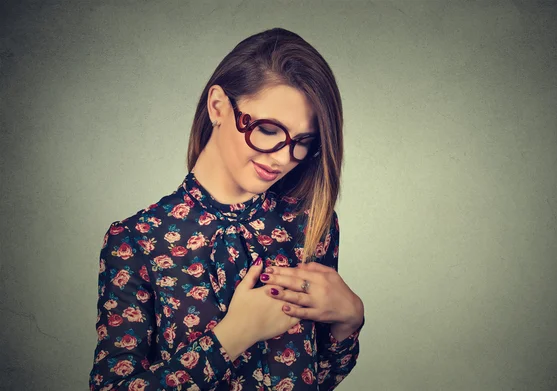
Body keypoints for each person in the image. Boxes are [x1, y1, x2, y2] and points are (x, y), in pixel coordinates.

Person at [89, 27, 365, 391]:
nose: (283, 158)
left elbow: (317, 377)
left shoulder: (311, 225)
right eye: (268, 130)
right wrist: (233, 336)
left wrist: (350, 321)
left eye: (302, 142)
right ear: (218, 105)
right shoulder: (138, 241)